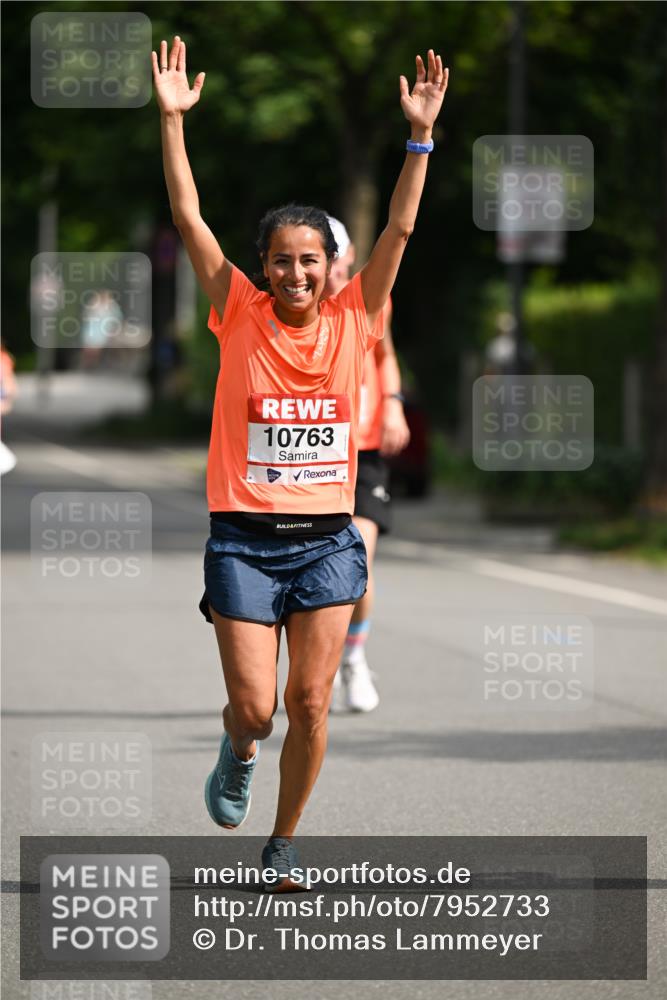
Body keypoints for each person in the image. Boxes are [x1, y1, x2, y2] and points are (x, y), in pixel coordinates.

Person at [153, 35, 448, 889]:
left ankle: (281, 843)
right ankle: (238, 747)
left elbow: (399, 224)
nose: (293, 272)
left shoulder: (358, 315)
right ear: (263, 267)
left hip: (325, 543)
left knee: (310, 703)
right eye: (280, 259)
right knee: (256, 707)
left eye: (307, 261)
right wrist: (172, 123)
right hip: (243, 540)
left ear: (329, 270)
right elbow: (187, 219)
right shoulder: (237, 311)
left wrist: (418, 139)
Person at [325, 218, 410, 713]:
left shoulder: (372, 296)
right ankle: (324, 660)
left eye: (338, 256)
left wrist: (394, 402)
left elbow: (386, 354)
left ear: (352, 254)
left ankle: (353, 658)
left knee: (356, 555)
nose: (333, 267)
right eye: (324, 256)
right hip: (318, 453)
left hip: (365, 449)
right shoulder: (301, 306)